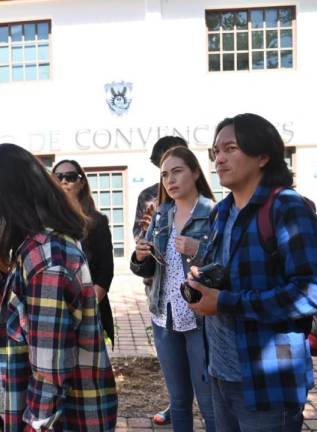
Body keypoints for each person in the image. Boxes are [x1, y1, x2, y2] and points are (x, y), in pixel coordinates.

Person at [187, 113, 317, 432]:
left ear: (263, 156)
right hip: (220, 372)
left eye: (231, 148)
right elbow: (229, 273)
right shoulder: (222, 212)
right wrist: (202, 280)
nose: (219, 159)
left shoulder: (287, 208)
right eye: (215, 151)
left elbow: (315, 292)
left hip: (267, 381)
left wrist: (226, 302)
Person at [0, 143, 118, 431]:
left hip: (66, 421)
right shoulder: (33, 247)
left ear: (3, 204)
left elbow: (50, 374)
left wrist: (33, 427)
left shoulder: (47, 260)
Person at [130, 146, 217, 432]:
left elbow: (226, 266)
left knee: (209, 402)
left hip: (200, 319)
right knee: (178, 399)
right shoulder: (161, 214)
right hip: (164, 318)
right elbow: (147, 270)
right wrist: (140, 256)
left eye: (177, 171)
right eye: (165, 174)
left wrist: (198, 250)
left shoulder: (213, 212)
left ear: (194, 172)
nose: (170, 180)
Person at [131, 135, 188, 426]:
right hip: (159, 288)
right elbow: (140, 238)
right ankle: (176, 403)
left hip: (196, 299)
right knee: (172, 358)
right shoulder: (150, 197)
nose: (170, 171)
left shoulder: (204, 202)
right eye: (163, 165)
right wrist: (147, 248)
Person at [51, 159, 115, 347]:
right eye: (58, 177)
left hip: (89, 308)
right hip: (54, 310)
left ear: (81, 183)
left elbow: (105, 271)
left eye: (70, 177)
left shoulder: (97, 221)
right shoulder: (43, 222)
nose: (64, 181)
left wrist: (85, 309)